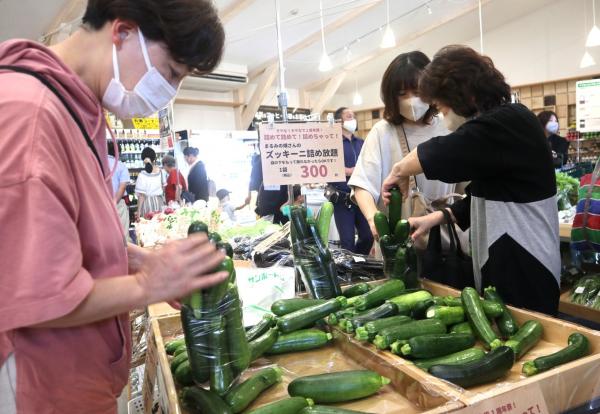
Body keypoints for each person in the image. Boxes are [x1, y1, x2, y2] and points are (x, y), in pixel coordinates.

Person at [0, 1, 226, 412]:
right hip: (42, 388)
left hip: (78, 378)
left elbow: (63, 241)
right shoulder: (30, 115)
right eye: (172, 73)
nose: (168, 93)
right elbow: (36, 292)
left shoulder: (76, 107)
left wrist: (137, 261)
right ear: (122, 33)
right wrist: (148, 286)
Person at [382, 45, 560, 315]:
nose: (441, 114)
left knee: (525, 344)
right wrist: (437, 218)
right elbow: (483, 193)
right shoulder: (499, 127)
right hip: (505, 261)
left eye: (441, 106)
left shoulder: (510, 120)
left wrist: (399, 171)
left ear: (461, 92)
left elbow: (447, 151)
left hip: (526, 264)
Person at [348, 51, 455, 240]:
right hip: (397, 238)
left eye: (417, 92)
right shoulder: (382, 131)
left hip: (445, 234)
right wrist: (374, 220)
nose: (411, 100)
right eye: (402, 94)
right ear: (391, 97)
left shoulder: (448, 125)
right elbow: (362, 183)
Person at [329, 107, 373, 254]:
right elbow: (328, 168)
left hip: (362, 197)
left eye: (354, 116)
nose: (352, 119)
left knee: (368, 236)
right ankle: (350, 272)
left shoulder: (361, 142)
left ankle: (359, 265)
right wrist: (350, 171)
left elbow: (370, 164)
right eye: (348, 116)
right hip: (342, 199)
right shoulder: (332, 144)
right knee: (347, 241)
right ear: (339, 121)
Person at [135, 147, 167, 219]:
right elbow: (164, 189)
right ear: (154, 159)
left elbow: (141, 196)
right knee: (160, 227)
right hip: (160, 203)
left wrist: (138, 212)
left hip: (147, 204)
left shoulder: (142, 175)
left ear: (143, 160)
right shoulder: (162, 172)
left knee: (148, 227)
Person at [107, 141, 131, 236]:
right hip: (117, 204)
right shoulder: (121, 165)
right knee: (123, 236)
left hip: (101, 204)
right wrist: (113, 203)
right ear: (118, 152)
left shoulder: (97, 163)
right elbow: (122, 187)